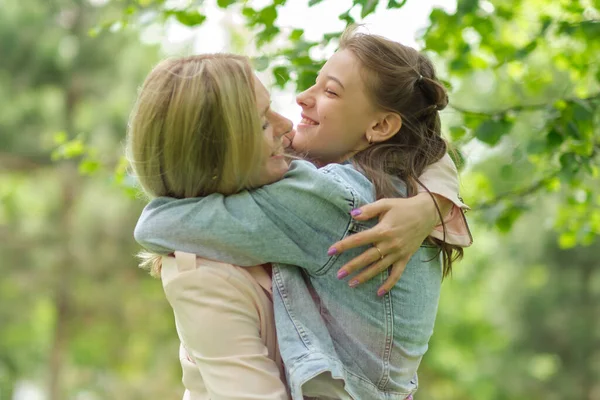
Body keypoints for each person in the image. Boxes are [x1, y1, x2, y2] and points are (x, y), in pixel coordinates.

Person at [131, 28, 471, 400]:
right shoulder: (398, 182)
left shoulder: (332, 199)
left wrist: (433, 204)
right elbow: (440, 153)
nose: (296, 106)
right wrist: (433, 202)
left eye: (330, 91)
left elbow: (157, 223)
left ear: (380, 126)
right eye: (263, 121)